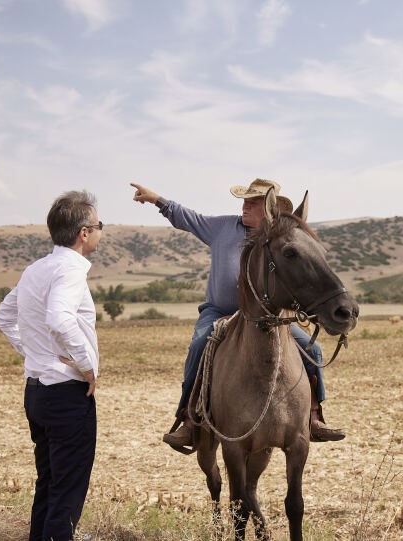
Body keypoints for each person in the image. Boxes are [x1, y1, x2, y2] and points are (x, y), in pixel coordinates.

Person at [129, 178, 345, 449]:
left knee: (313, 351)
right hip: (219, 311)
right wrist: (156, 199)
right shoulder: (222, 227)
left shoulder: (277, 238)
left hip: (265, 316)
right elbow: (187, 217)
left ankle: (313, 418)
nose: (245, 207)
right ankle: (188, 418)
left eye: (253, 203)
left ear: (268, 207)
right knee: (199, 344)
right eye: (244, 201)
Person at [0, 190, 102, 541]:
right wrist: (86, 366)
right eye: (99, 225)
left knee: (49, 485)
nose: (101, 231)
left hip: (37, 392)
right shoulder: (70, 270)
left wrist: (34, 355)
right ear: (83, 233)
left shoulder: (36, 269)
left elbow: (4, 315)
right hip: (67, 397)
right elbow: (59, 319)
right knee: (66, 495)